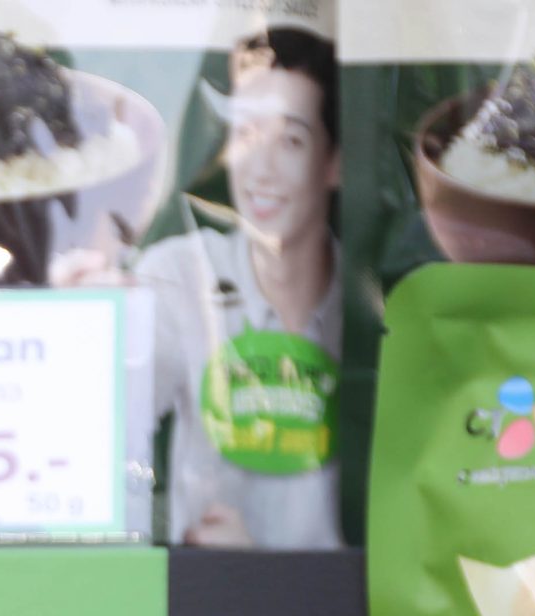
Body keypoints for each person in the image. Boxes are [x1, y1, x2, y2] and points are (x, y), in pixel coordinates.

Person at [66, 29, 342, 548]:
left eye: (291, 140)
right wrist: (80, 332)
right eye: (246, 134)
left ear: (334, 163)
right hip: (211, 588)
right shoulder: (183, 273)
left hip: (348, 595)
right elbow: (99, 427)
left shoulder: (370, 300)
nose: (260, 169)